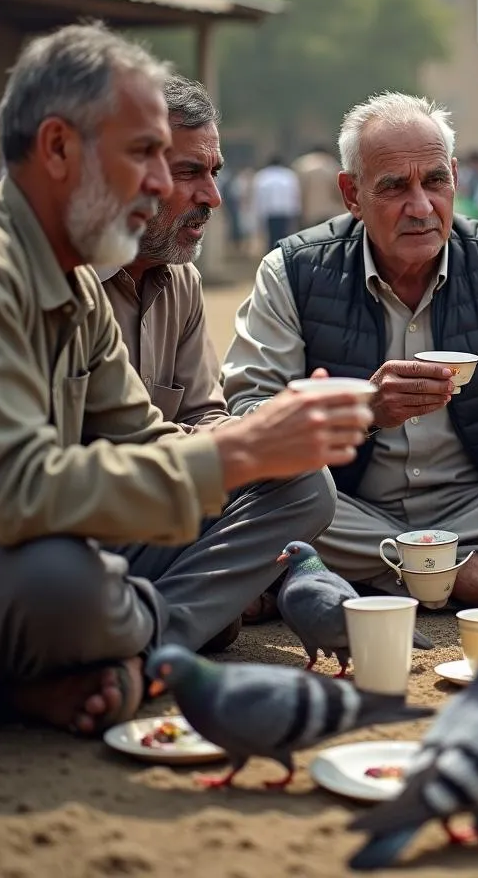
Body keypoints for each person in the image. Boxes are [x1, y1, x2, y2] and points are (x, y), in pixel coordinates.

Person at [0, 23, 372, 736]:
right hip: (34, 549)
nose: (169, 187)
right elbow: (16, 489)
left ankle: (137, 653)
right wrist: (239, 451)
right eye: (145, 156)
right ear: (56, 148)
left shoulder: (72, 279)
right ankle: (152, 634)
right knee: (63, 582)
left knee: (300, 485)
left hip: (80, 539)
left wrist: (265, 442)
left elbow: (145, 438)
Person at [222, 92, 478, 605]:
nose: (421, 207)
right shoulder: (293, 271)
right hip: (346, 506)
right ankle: (465, 574)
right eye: (395, 186)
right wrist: (364, 411)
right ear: (351, 194)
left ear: (456, 179)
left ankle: (370, 570)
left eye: (435, 181)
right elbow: (247, 416)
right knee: (273, 490)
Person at [98, 74, 336, 649]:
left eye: (214, 172)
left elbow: (205, 409)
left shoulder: (180, 280)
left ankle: (158, 637)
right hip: (68, 527)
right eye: (188, 173)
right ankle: (183, 614)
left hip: (154, 512)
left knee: (309, 484)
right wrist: (245, 444)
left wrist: (270, 431)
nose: (213, 196)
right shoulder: (54, 282)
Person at [253, 153, 301, 249]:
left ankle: (272, 256)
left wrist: (258, 213)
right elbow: (295, 194)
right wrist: (297, 211)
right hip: (286, 211)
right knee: (285, 237)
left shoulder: (262, 176)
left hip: (269, 211)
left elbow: (259, 197)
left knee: (271, 237)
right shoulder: (289, 175)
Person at [292, 144, 342, 227]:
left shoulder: (301, 165)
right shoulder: (331, 164)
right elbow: (339, 191)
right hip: (329, 213)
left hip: (307, 214)